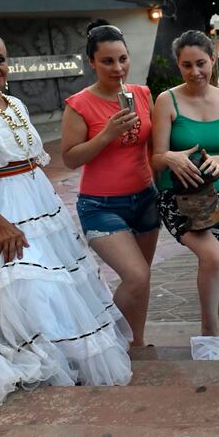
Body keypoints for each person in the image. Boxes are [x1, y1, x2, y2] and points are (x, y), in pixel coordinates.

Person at [0, 29, 131, 416]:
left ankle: (57, 363)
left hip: (37, 208)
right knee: (20, 287)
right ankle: (36, 366)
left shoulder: (14, 103)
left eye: (0, 58)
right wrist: (0, 225)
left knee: (51, 289)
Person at [61, 20, 159, 347]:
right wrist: (107, 134)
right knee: (136, 275)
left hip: (145, 199)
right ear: (91, 62)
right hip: (101, 205)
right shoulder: (79, 104)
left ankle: (137, 343)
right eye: (107, 61)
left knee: (141, 280)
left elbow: (154, 148)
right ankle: (99, 342)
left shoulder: (143, 94)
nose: (118, 68)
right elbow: (71, 159)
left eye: (123, 59)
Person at [152, 30, 219, 336]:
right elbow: (155, 156)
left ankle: (210, 327)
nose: (195, 72)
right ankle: (211, 331)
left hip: (218, 194)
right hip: (178, 197)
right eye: (186, 65)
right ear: (178, 65)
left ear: (213, 60)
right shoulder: (167, 100)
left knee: (213, 261)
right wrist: (171, 157)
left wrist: (217, 161)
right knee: (213, 257)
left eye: (201, 63)